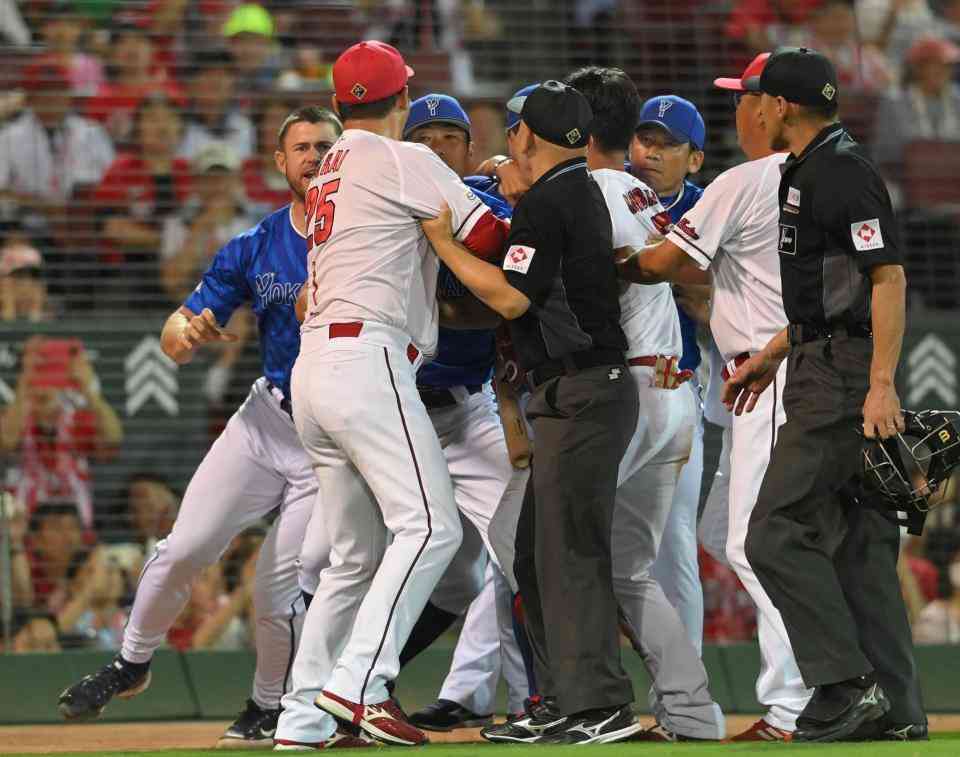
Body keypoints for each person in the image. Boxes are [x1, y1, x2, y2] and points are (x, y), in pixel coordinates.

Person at [55, 106, 357, 751]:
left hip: (328, 442)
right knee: (185, 547)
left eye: (324, 145)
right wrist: (186, 333)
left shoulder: (370, 232)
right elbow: (177, 328)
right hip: (264, 421)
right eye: (299, 147)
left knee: (277, 586)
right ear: (279, 163)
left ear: (344, 154)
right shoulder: (255, 243)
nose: (311, 155)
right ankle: (131, 662)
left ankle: (267, 707)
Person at [276, 41, 509, 750]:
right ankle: (361, 683)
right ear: (401, 100)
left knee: (352, 556)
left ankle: (302, 718)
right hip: (366, 360)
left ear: (345, 103)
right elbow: (491, 236)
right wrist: (504, 184)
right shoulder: (406, 158)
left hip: (314, 366)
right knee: (432, 525)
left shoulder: (334, 166)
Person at [421, 80, 641, 745]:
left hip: (584, 392)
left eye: (514, 130)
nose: (507, 139)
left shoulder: (554, 198)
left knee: (569, 552)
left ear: (529, 137)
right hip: (572, 392)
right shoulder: (568, 192)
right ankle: (565, 699)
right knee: (539, 551)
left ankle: (598, 703)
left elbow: (512, 300)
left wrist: (444, 243)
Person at [722, 47, 926, 742]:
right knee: (858, 544)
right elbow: (831, 289)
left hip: (841, 377)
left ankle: (844, 684)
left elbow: (887, 278)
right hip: (818, 355)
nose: (752, 111)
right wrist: (772, 353)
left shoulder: (839, 172)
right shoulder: (815, 166)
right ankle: (897, 708)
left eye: (759, 101)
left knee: (771, 531)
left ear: (780, 106)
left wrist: (879, 385)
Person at [619, 52, 814, 742]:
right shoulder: (811, 177)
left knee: (755, 541)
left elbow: (668, 268)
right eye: (643, 138)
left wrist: (605, 251)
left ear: (773, 109)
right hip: (770, 373)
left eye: (745, 97)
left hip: (753, 375)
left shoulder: (737, 184)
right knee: (730, 537)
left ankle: (794, 701)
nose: (648, 151)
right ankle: (823, 686)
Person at [565, 65, 724, 743]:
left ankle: (585, 704)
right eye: (644, 136)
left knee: (562, 548)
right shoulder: (638, 192)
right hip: (669, 399)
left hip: (628, 393)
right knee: (632, 565)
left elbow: (682, 276)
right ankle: (693, 710)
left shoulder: (592, 187)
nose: (651, 150)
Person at [630, 94, 707, 651]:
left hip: (676, 381)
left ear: (694, 158)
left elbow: (714, 307)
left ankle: (688, 695)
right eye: (645, 140)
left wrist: (664, 263)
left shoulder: (708, 208)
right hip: (605, 388)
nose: (651, 152)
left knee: (674, 542)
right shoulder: (607, 190)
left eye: (666, 145)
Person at [0, 337, 123, 528]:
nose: (44, 390)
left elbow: (113, 439)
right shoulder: (15, 416)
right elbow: (6, 442)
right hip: (24, 528)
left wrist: (89, 391)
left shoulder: (76, 420)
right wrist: (25, 382)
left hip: (74, 530)